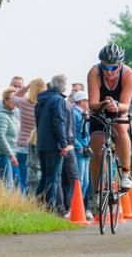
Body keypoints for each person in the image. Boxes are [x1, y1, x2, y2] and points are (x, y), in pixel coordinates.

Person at [87, 43, 132, 213]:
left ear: (120, 64)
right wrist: (104, 104)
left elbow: (126, 104)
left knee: (121, 128)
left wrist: (115, 105)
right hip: (99, 109)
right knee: (96, 148)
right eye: (105, 66)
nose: (109, 71)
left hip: (120, 107)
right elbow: (92, 103)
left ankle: (125, 173)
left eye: (113, 67)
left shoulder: (128, 74)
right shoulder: (94, 72)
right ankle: (96, 193)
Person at [35, 75, 72, 215]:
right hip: (54, 145)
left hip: (42, 144)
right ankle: (50, 210)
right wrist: (63, 144)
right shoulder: (58, 100)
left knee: (45, 176)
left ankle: (36, 206)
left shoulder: (40, 101)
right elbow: (59, 122)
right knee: (53, 178)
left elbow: (38, 124)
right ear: (62, 85)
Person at [13, 78, 46, 195]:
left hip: (22, 144)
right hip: (37, 143)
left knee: (22, 178)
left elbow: (14, 96)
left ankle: (23, 201)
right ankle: (35, 200)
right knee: (37, 175)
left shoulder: (23, 102)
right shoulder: (44, 104)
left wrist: (25, 88)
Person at [58, 77, 79, 216]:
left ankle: (68, 207)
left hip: (67, 144)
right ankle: (69, 207)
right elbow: (67, 128)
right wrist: (69, 143)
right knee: (72, 177)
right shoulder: (67, 107)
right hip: (68, 145)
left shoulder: (68, 107)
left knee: (66, 178)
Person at [0, 87, 20, 191]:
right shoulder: (2, 116)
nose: (16, 102)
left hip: (11, 154)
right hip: (3, 154)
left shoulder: (12, 115)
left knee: (14, 183)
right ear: (5, 101)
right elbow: (0, 137)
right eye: (13, 100)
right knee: (7, 185)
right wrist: (11, 155)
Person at [73, 90, 93, 219]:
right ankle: (75, 208)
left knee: (85, 181)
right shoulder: (74, 113)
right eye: (86, 100)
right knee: (80, 180)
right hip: (80, 150)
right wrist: (78, 146)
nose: (88, 103)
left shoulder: (85, 113)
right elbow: (71, 131)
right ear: (81, 101)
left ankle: (83, 208)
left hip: (86, 150)